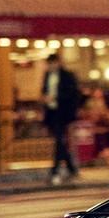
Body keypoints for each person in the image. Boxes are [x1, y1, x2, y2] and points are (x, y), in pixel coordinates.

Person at [41, 51, 83, 184]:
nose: (51, 66)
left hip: (63, 112)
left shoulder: (67, 76)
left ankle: (55, 170)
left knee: (59, 140)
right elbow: (44, 90)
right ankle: (71, 168)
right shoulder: (47, 75)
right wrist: (45, 98)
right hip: (52, 112)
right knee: (60, 141)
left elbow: (72, 94)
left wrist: (56, 98)